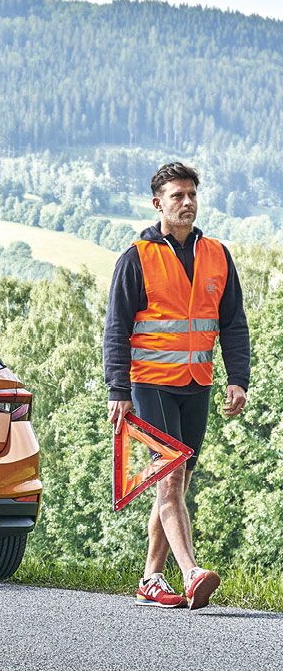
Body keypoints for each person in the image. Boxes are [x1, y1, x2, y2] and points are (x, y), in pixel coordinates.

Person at [103, 161, 250, 610]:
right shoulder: (137, 257)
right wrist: (117, 390)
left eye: (191, 195)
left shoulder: (217, 255)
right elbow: (115, 328)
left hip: (197, 384)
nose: (186, 203)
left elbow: (233, 324)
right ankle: (190, 572)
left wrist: (237, 379)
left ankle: (151, 576)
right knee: (168, 479)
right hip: (149, 384)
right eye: (176, 196)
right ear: (158, 204)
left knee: (177, 482)